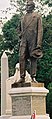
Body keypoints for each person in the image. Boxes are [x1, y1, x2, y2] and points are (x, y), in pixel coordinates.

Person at [18, 0, 43, 83]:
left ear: (32, 6)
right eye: (26, 5)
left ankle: (33, 77)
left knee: (33, 58)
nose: (26, 7)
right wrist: (20, 35)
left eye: (28, 5)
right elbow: (19, 29)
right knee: (22, 57)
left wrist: (38, 43)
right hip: (24, 40)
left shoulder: (37, 16)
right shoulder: (22, 17)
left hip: (33, 40)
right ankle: (22, 77)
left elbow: (40, 30)